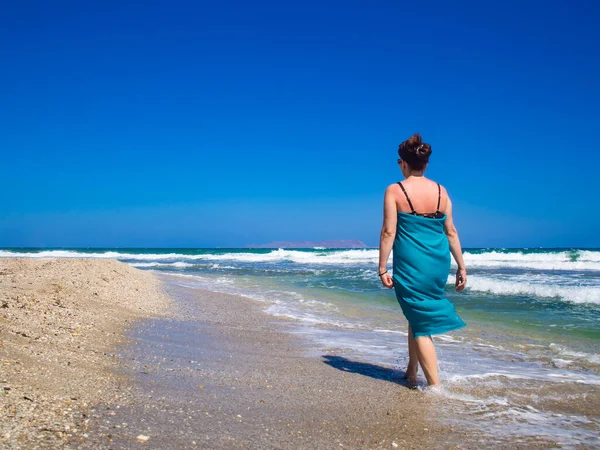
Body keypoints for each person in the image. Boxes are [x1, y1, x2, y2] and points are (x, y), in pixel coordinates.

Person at [378, 133, 467, 386]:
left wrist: (382, 267)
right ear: (425, 164)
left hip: (411, 264)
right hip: (438, 262)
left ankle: (435, 387)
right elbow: (451, 231)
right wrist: (461, 266)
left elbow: (388, 231)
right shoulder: (441, 191)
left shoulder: (395, 190)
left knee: (420, 322)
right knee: (416, 314)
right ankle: (411, 371)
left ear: (403, 163)